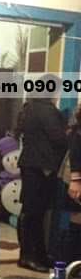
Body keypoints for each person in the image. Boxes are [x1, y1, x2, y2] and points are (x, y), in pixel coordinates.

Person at [17, 85, 67, 272]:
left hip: (31, 165)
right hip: (41, 167)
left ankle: (34, 254)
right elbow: (58, 138)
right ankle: (30, 256)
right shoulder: (47, 110)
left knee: (31, 211)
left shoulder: (30, 107)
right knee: (34, 213)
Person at [63, 105, 81, 263]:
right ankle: (70, 265)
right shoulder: (76, 133)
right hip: (79, 179)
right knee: (77, 221)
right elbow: (75, 151)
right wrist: (76, 180)